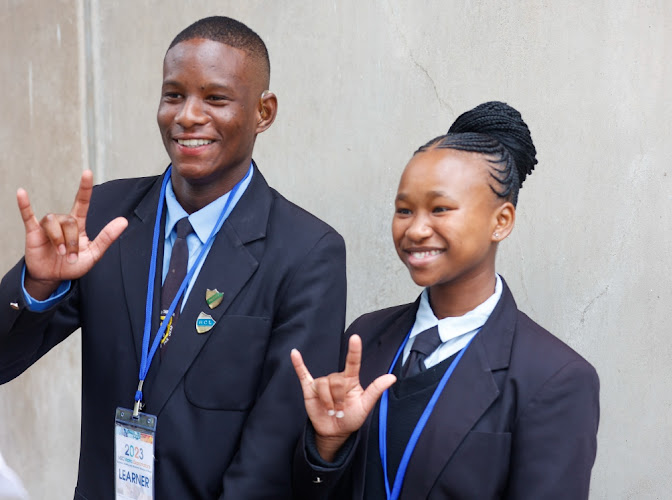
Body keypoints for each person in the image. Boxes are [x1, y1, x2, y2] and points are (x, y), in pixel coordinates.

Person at [0, 16, 346, 499]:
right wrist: (37, 285)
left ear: (263, 113)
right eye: (174, 95)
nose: (187, 115)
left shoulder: (307, 253)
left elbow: (272, 450)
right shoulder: (105, 217)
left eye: (216, 98)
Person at [291, 101, 600, 499]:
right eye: (404, 209)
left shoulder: (555, 377)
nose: (416, 229)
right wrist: (328, 446)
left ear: (501, 221)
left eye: (440, 209)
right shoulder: (366, 337)